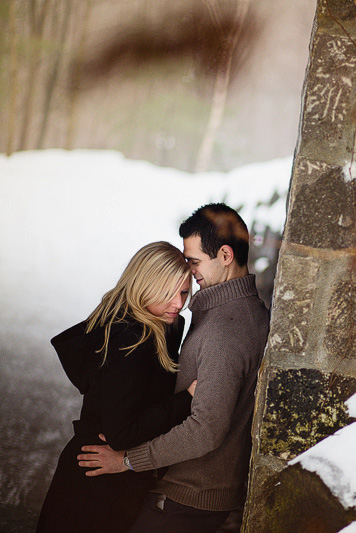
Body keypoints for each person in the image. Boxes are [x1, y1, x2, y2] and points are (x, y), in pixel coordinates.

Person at [78, 203, 270, 533]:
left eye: (194, 261)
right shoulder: (238, 312)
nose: (189, 269)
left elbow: (205, 428)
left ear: (225, 255)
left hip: (187, 496)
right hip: (191, 493)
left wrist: (126, 460)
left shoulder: (224, 329)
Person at [36, 241, 196, 533]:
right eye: (167, 293)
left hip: (104, 480)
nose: (178, 303)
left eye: (184, 292)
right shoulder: (130, 340)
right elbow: (121, 434)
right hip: (95, 485)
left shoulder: (155, 325)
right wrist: (186, 400)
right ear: (142, 286)